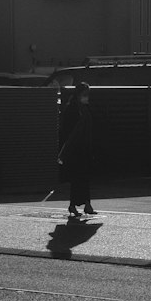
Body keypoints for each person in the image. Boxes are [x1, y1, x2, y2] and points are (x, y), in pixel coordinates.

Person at [58, 81, 95, 219]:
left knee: (83, 177)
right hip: (76, 150)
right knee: (78, 178)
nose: (87, 97)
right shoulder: (73, 109)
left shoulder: (83, 108)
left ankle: (85, 204)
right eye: (84, 94)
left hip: (84, 148)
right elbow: (68, 131)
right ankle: (77, 204)